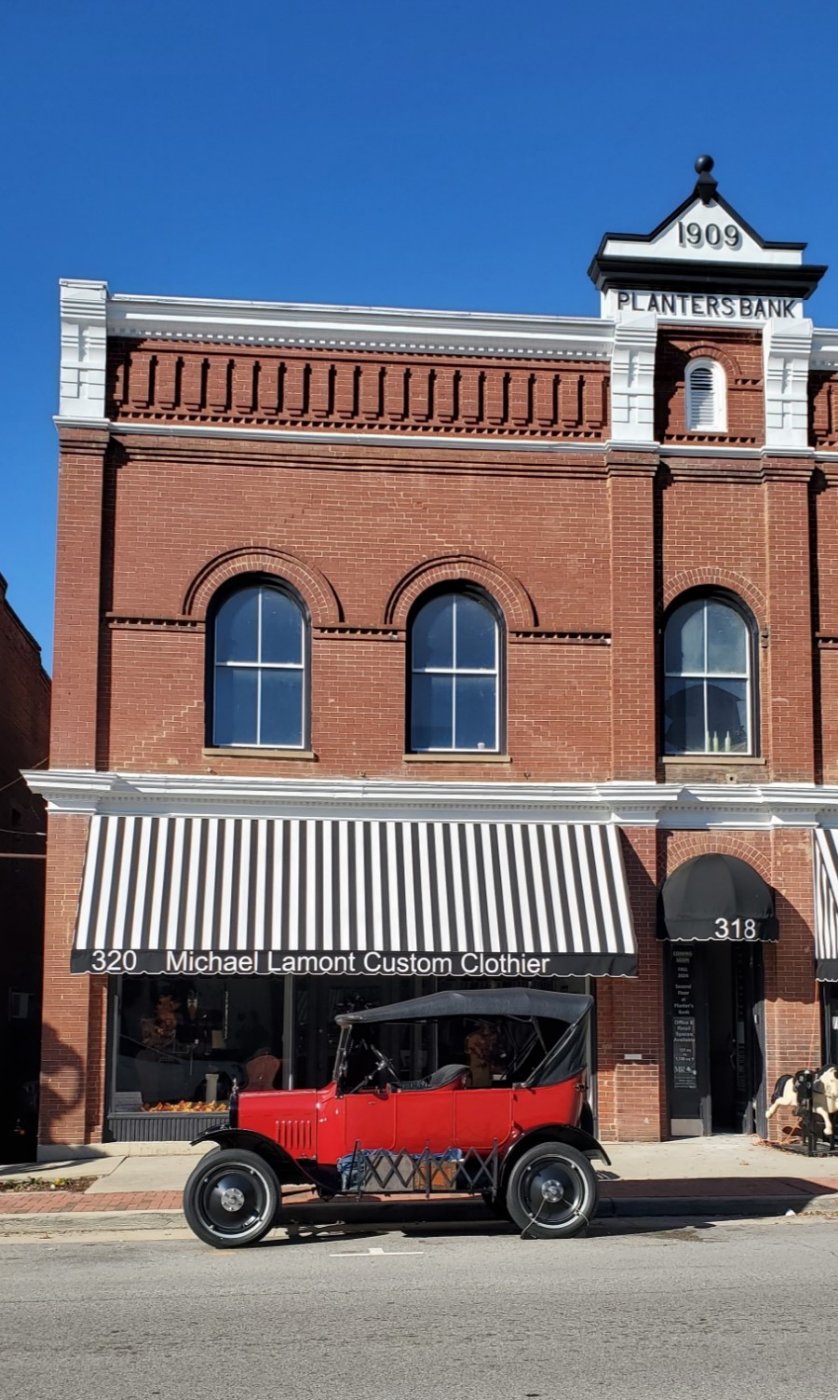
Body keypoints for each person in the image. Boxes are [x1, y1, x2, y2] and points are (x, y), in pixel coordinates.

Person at [465, 1020, 497, 1088]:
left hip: (486, 1068)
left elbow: (491, 1050)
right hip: (476, 1068)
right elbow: (472, 1048)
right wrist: (480, 1056)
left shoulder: (488, 1037)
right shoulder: (473, 1037)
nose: (489, 1029)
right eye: (488, 1026)